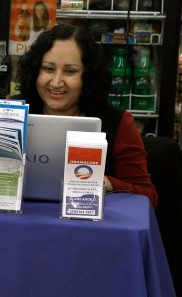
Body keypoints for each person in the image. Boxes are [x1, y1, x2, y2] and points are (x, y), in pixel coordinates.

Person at [15, 24, 157, 207]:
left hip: (90, 230)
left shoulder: (118, 123)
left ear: (88, 76)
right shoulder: (12, 110)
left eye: (70, 71)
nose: (56, 82)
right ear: (36, 72)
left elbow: (148, 197)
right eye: (48, 69)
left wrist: (106, 183)